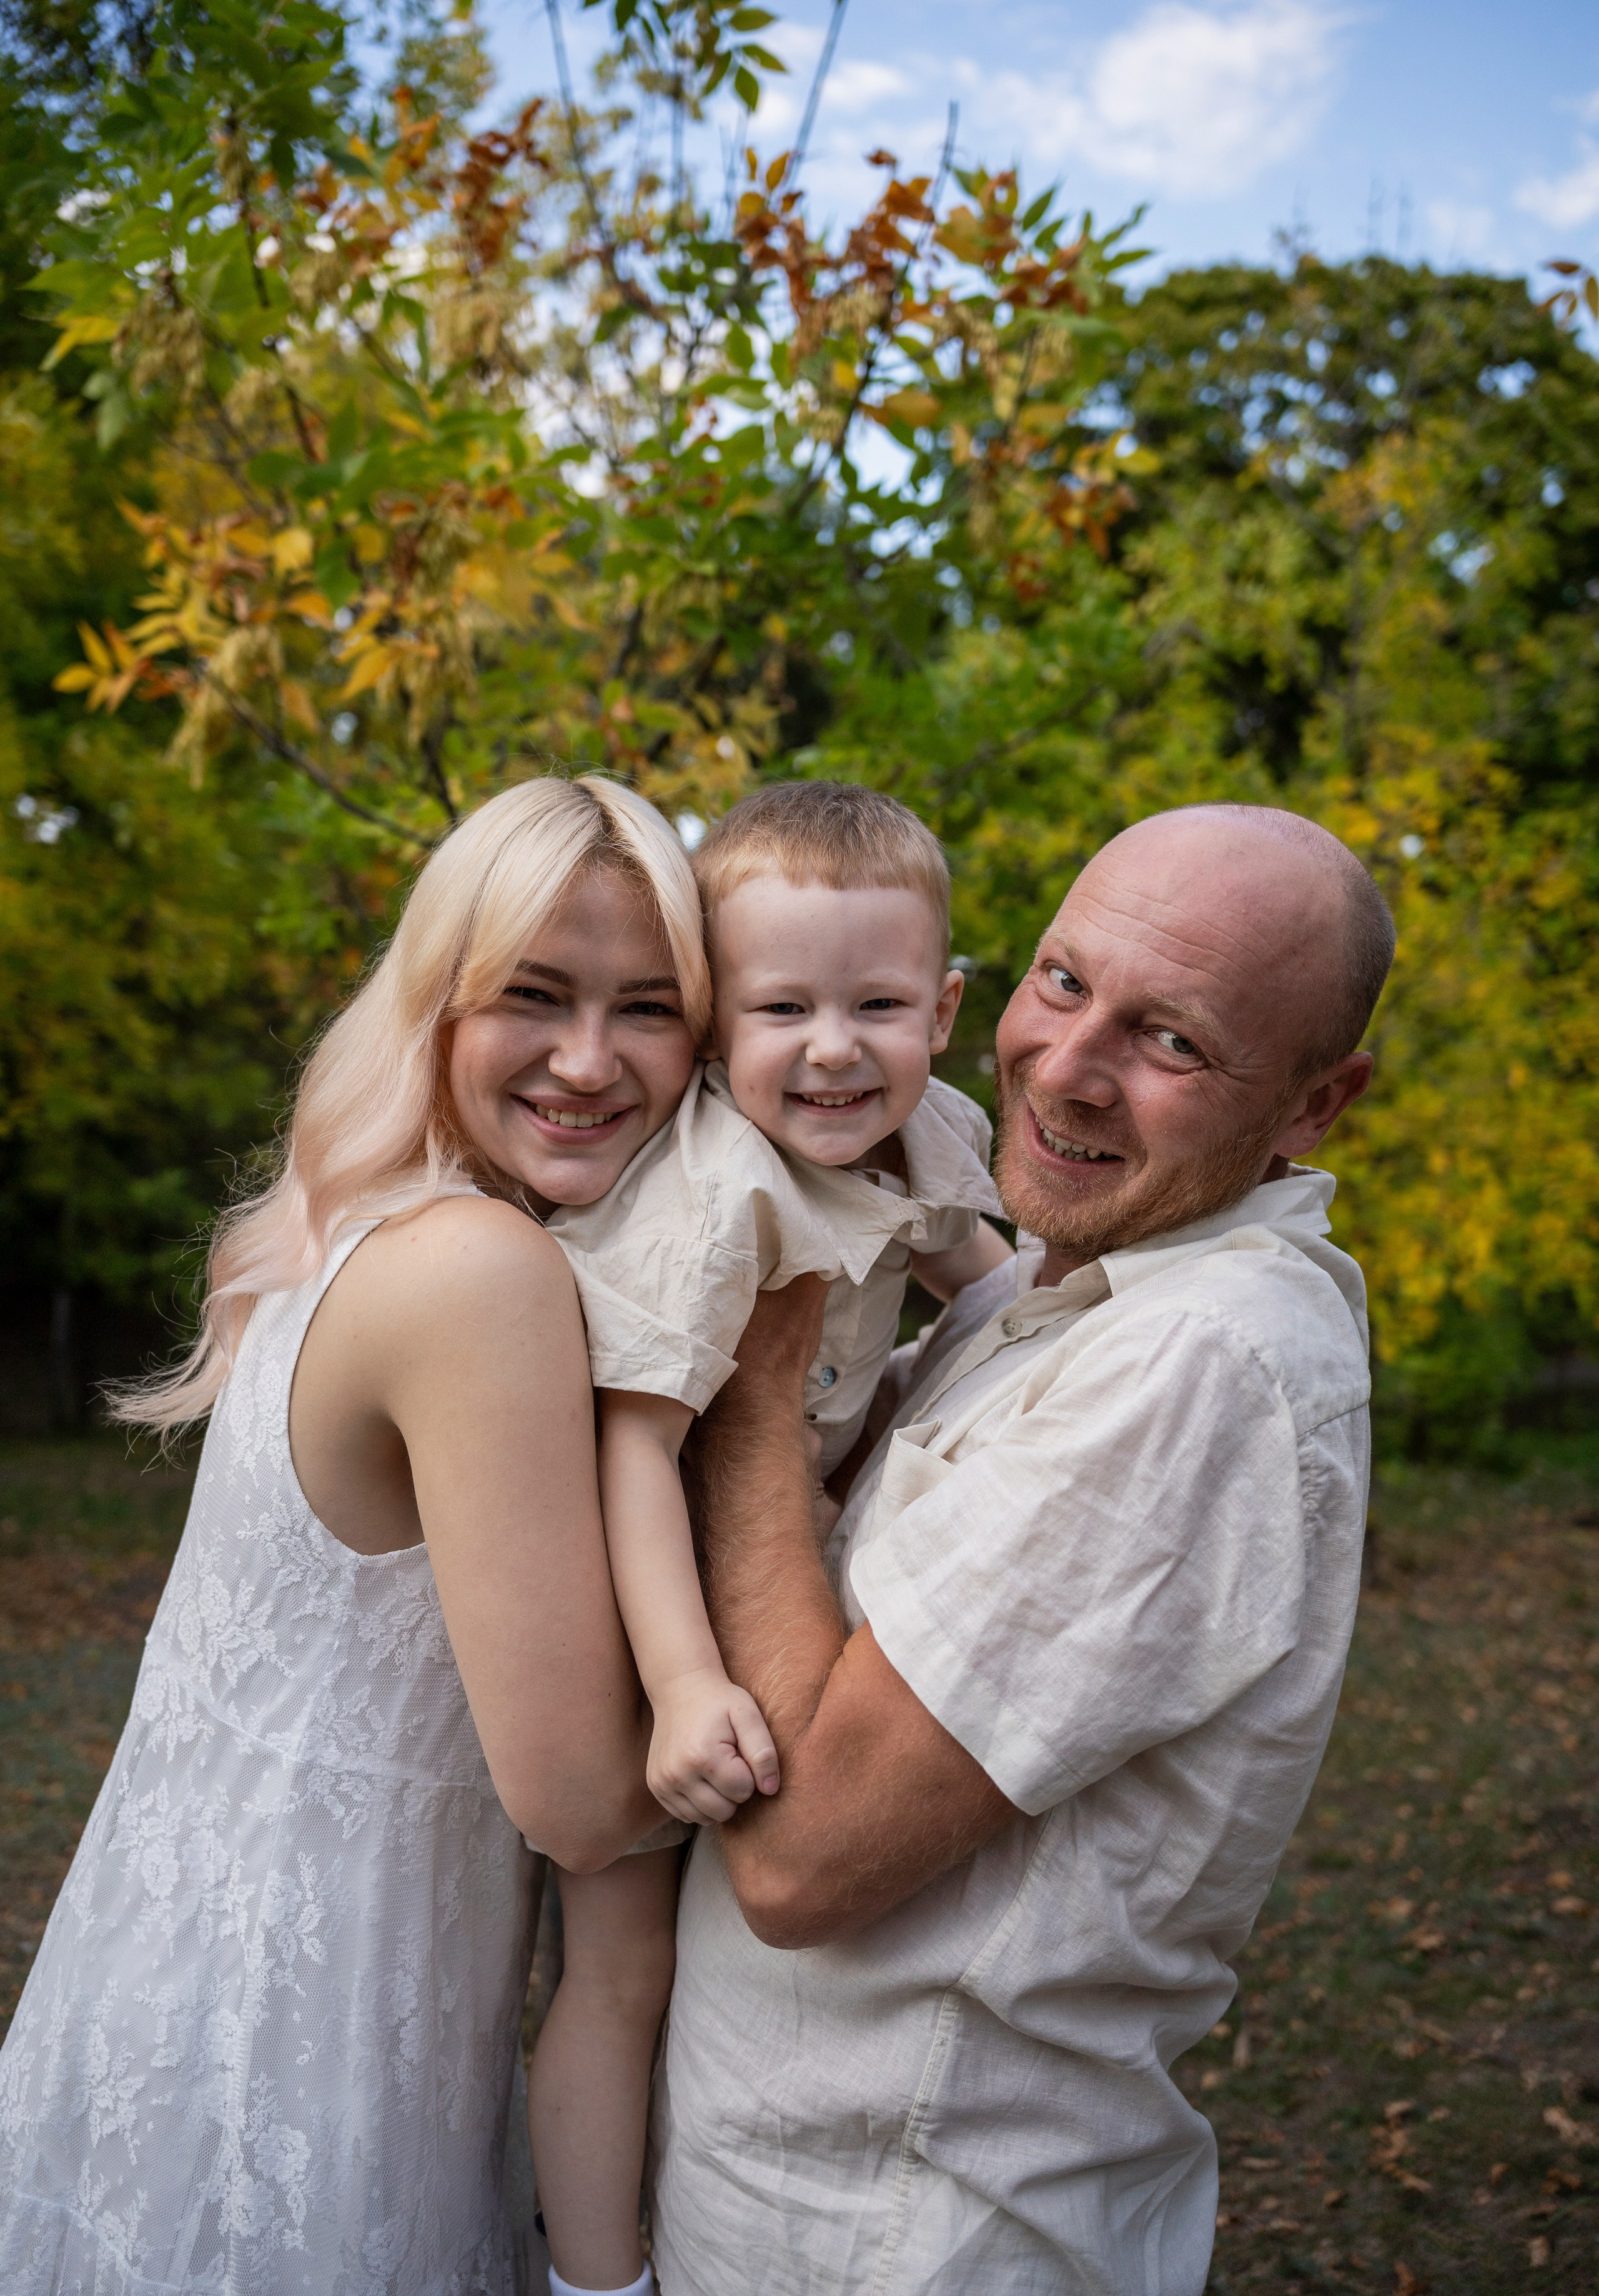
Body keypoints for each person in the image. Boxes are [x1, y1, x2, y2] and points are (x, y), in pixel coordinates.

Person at [649, 801, 1395, 2295]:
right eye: (1060, 983)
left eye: (1170, 1043)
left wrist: (749, 1380)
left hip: (905, 2228)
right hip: (778, 2191)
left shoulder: (1199, 1365)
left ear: (1315, 1105)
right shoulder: (1053, 1291)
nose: (1064, 1070)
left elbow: (799, 1866)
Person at [0, 775, 701, 2296]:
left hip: (158, 1996)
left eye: (648, 1007)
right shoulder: (477, 1272)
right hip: (297, 2048)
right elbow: (584, 1804)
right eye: (535, 995)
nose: (590, 1059)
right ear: (438, 1001)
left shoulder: (341, 1225)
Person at [533, 782, 1009, 2295]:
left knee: (713, 1975)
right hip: (631, 1596)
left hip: (775, 1573)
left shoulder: (923, 1130)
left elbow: (978, 1273)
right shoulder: (718, 1195)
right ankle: (597, 2277)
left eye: (875, 1003)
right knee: (618, 1967)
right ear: (713, 1019)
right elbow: (630, 1447)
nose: (829, 1047)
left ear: (940, 1010)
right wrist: (676, 1684)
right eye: (779, 1005)